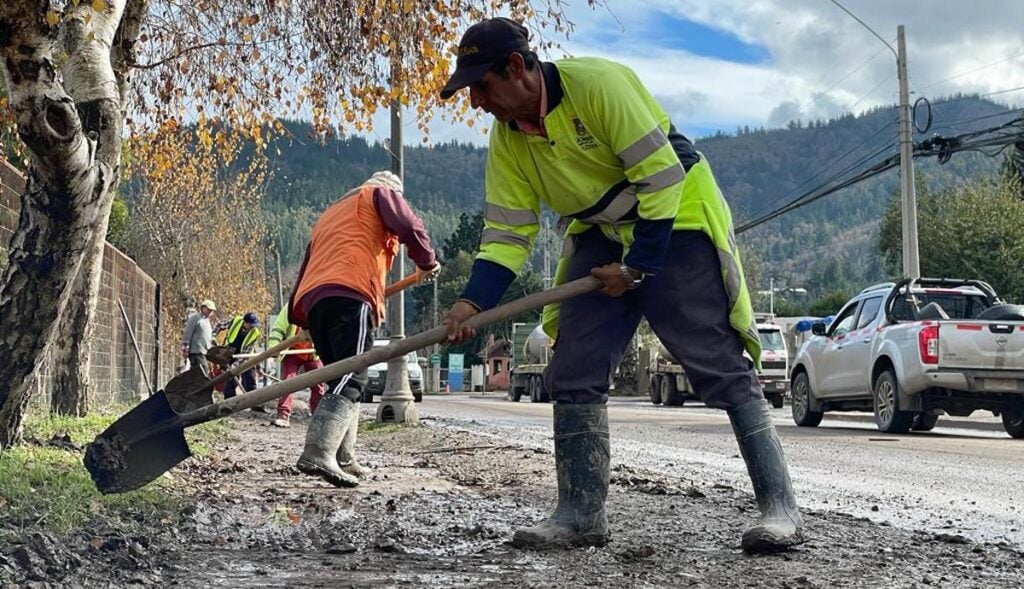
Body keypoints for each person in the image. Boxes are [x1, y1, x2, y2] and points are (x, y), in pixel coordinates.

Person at [438, 18, 805, 554]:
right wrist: (472, 302)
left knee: (716, 363)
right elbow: (507, 233)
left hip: (673, 217)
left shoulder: (601, 86)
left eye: (481, 87)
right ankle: (581, 513)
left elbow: (661, 179)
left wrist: (637, 268)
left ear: (516, 68)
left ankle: (780, 506)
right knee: (574, 368)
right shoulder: (509, 136)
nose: (476, 103)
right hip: (602, 231)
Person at [288, 170, 438, 488]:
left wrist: (302, 319)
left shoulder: (331, 214)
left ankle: (343, 457)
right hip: (349, 291)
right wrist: (426, 261)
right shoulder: (379, 195)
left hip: (316, 299)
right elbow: (410, 225)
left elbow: (307, 265)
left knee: (339, 378)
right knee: (354, 375)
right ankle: (319, 451)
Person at [267, 310, 325, 429]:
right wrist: (274, 347)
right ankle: (283, 415)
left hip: (312, 353)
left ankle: (318, 416)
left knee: (318, 384)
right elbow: (278, 328)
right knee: (288, 382)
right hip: (293, 352)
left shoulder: (319, 304)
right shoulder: (290, 308)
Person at [215, 312, 262, 399]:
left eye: (254, 325)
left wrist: (236, 365)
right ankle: (229, 401)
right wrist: (213, 336)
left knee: (249, 376)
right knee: (231, 378)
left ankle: (253, 399)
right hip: (229, 352)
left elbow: (246, 353)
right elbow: (220, 325)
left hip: (244, 355)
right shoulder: (236, 321)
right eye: (251, 325)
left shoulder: (255, 333)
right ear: (245, 322)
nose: (252, 327)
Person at [180, 299, 216, 377]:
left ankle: (193, 388)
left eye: (212, 311)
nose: (210, 312)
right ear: (202, 308)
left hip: (204, 352)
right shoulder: (195, 318)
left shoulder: (207, 321)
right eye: (208, 309)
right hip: (196, 352)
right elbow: (187, 333)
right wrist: (185, 350)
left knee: (199, 374)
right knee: (202, 372)